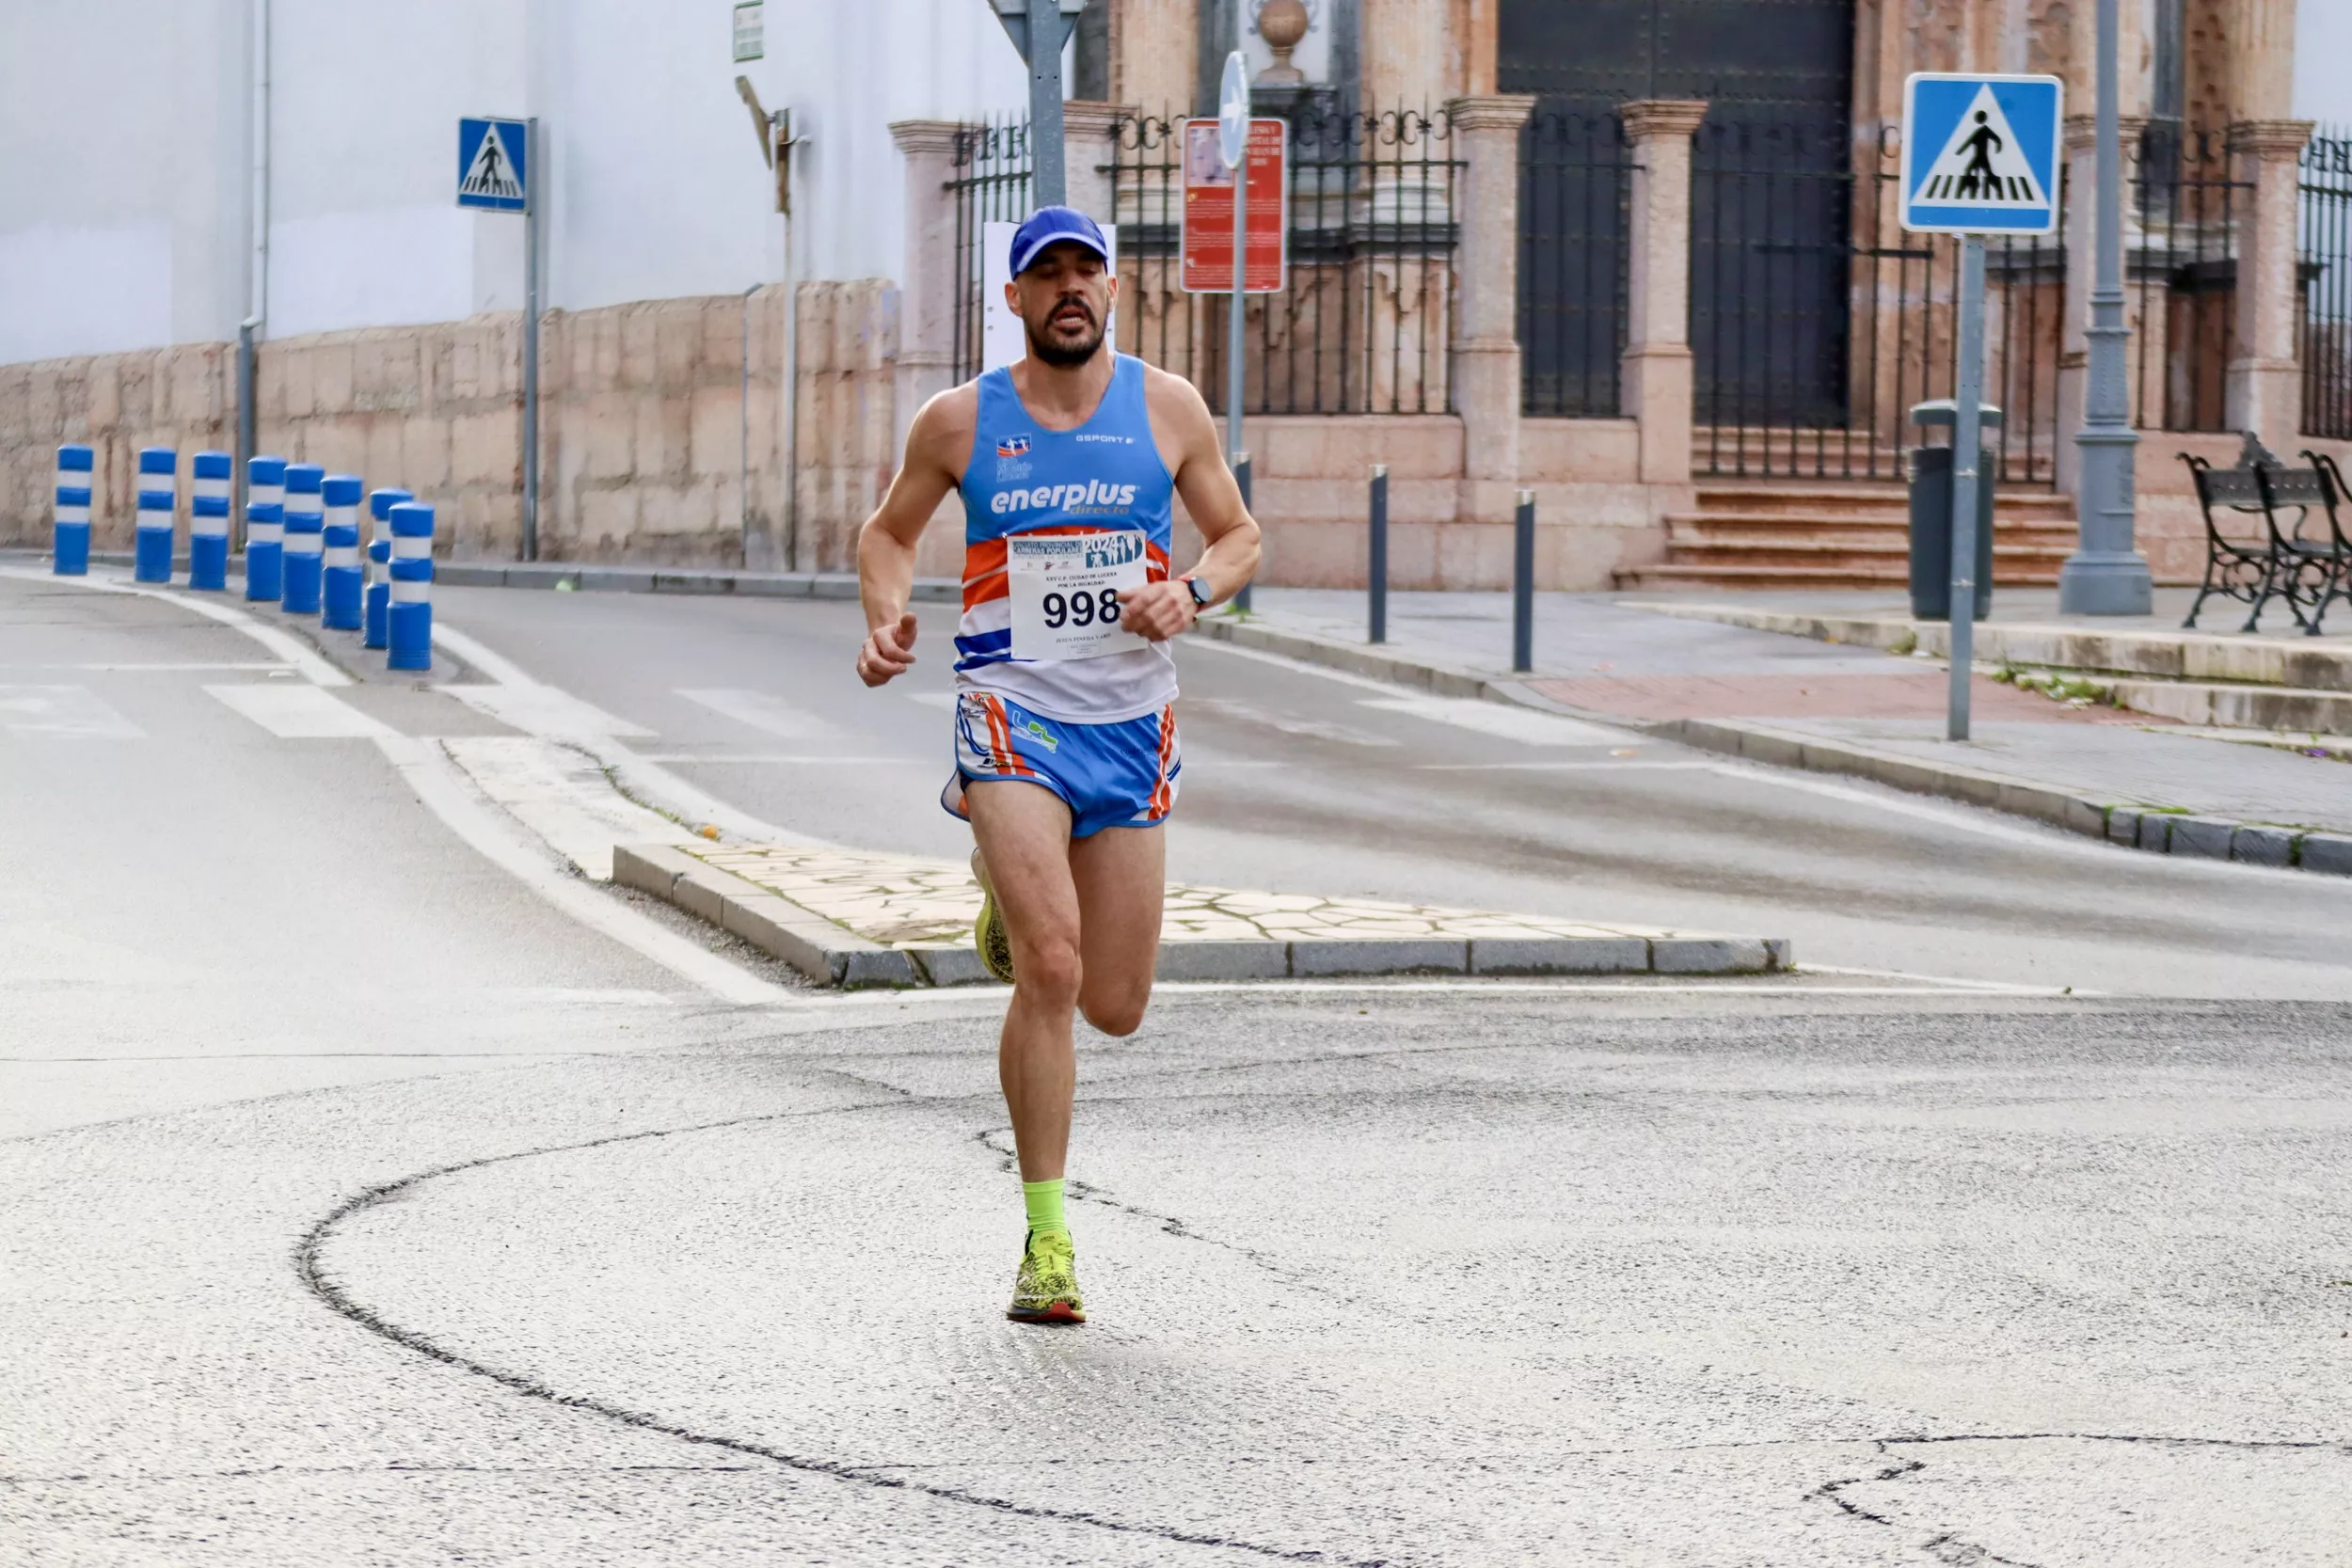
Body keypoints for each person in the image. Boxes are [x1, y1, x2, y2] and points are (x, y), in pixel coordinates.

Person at [853, 206, 1262, 1324]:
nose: (1070, 289)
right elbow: (886, 534)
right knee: (1052, 968)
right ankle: (1047, 1239)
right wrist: (889, 617)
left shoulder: (1168, 407)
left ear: (1113, 291)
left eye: (1088, 271)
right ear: (1016, 300)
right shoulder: (958, 422)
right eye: (1048, 275)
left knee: (1117, 1003)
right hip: (1010, 712)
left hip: (1130, 721)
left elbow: (1238, 536)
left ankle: (1001, 889)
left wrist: (1191, 589)